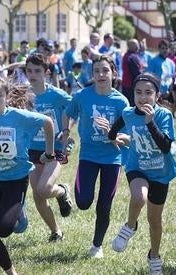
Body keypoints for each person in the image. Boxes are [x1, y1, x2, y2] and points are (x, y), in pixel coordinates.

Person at [0, 74, 56, 275]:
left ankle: (19, 213)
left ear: (6, 97)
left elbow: (48, 122)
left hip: (16, 179)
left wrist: (49, 152)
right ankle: (11, 272)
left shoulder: (19, 117)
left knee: (4, 229)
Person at [62, 55, 130, 258]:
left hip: (112, 158)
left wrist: (115, 136)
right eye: (97, 71)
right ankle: (66, 191)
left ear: (113, 73)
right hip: (88, 156)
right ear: (92, 74)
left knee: (104, 206)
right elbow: (68, 112)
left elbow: (129, 135)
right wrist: (65, 131)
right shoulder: (83, 96)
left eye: (105, 70)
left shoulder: (121, 101)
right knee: (83, 202)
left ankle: (97, 246)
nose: (101, 74)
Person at [108, 73, 175, 275]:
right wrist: (113, 137)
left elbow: (165, 146)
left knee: (155, 221)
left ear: (156, 95)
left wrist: (150, 122)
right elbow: (114, 130)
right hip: (137, 167)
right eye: (138, 92)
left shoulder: (163, 115)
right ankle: (130, 226)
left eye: (148, 92)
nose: (142, 97)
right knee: (139, 197)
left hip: (161, 173)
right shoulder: (128, 113)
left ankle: (154, 256)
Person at [24, 53, 74, 242]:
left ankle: (62, 190)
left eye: (37, 71)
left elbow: (73, 111)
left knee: (44, 189)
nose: (33, 75)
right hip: (31, 150)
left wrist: (66, 130)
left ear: (46, 72)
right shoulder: (24, 95)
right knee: (38, 196)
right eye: (29, 71)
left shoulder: (58, 95)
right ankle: (56, 231)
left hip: (54, 148)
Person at [122, 39, 143, 106]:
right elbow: (137, 73)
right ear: (129, 46)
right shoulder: (131, 57)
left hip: (127, 85)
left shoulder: (129, 55)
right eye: (135, 45)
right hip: (131, 86)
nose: (138, 46)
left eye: (137, 44)